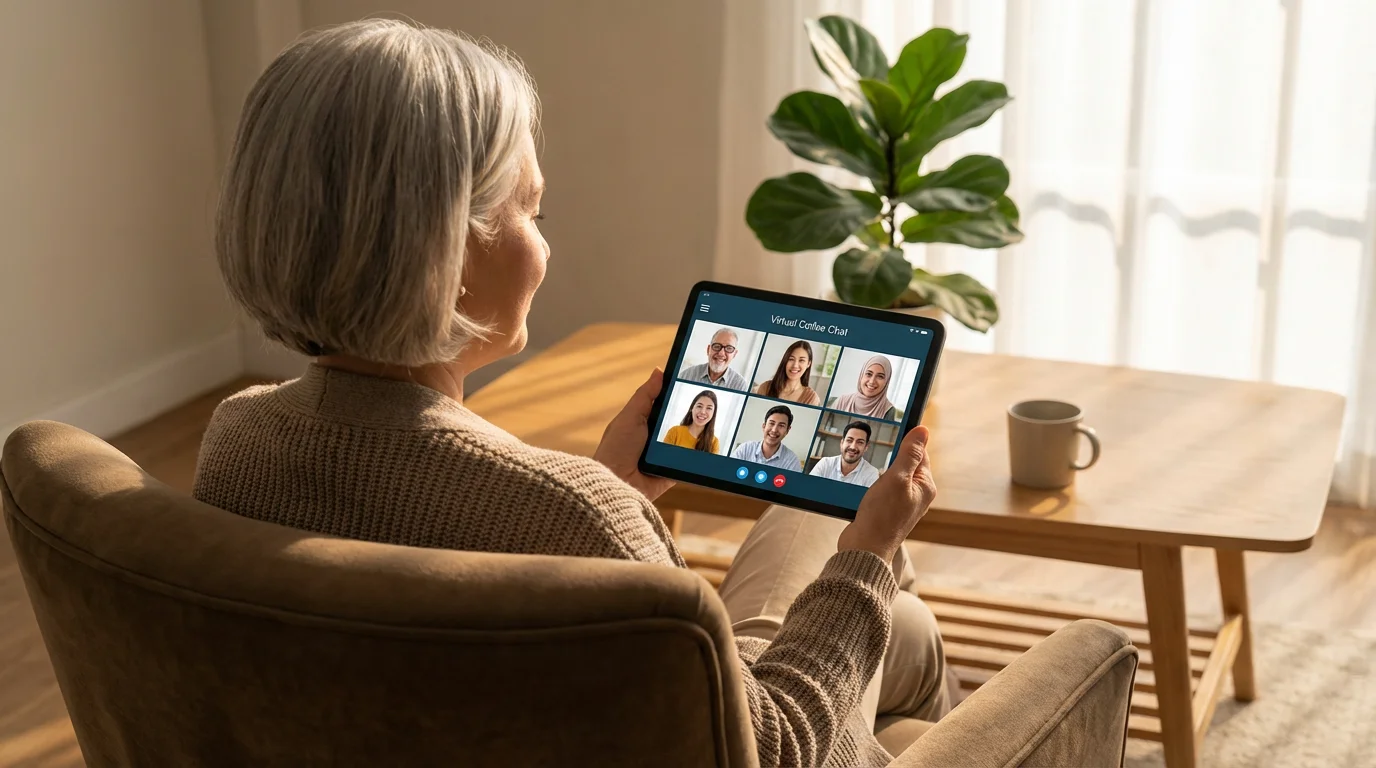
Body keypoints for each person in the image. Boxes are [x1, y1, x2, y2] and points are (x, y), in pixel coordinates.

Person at [194, 19, 949, 768]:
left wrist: (611, 489)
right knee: (912, 582)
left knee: (898, 621)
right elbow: (775, 754)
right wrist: (871, 550)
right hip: (770, 742)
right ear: (447, 244)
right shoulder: (576, 516)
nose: (546, 244)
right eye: (531, 210)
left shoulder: (237, 441)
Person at [810, 421, 883, 487]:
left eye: (860, 442)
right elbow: (809, 490)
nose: (853, 447)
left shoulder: (872, 473)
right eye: (849, 440)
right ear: (842, 443)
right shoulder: (825, 464)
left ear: (866, 447)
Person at [730, 404, 802, 471]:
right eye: (771, 423)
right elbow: (729, 471)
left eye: (781, 425)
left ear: (787, 430)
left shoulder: (792, 461)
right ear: (764, 426)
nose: (774, 430)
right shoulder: (745, 448)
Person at [677, 327, 749, 391]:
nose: (721, 353)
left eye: (729, 348)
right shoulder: (687, 375)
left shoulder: (740, 385)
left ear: (734, 354)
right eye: (717, 346)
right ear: (708, 349)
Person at [753, 339, 822, 405]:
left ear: (808, 364)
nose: (795, 365)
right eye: (791, 359)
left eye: (801, 360)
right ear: (785, 361)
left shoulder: (811, 398)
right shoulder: (766, 387)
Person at [830, 355, 898, 420]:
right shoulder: (842, 401)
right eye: (869, 374)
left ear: (886, 382)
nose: (872, 381)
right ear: (861, 376)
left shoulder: (888, 411)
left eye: (880, 376)